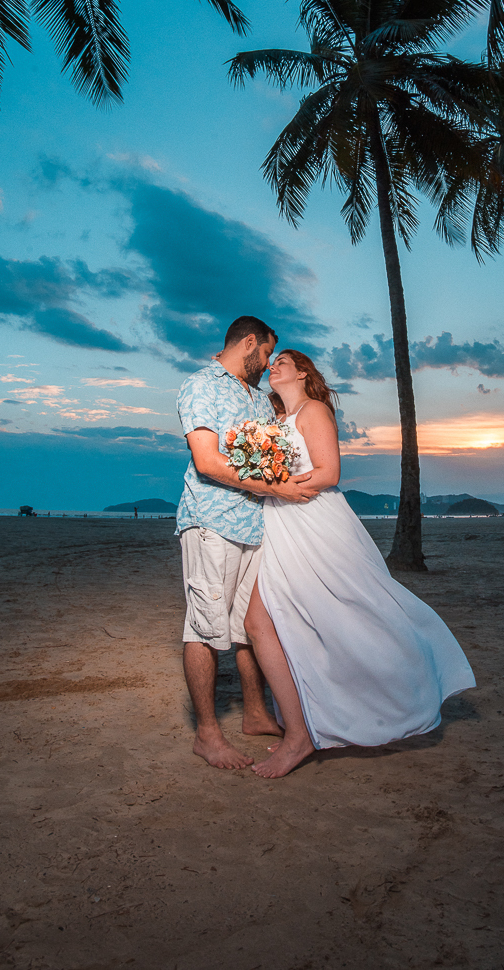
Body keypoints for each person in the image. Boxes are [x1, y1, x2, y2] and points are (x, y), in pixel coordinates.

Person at [244, 349, 476, 778]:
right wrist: (262, 483)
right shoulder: (274, 423)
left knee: (348, 610)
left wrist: (276, 486)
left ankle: (316, 727)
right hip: (281, 526)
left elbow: (329, 472)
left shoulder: (312, 410)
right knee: (267, 622)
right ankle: (304, 725)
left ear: (302, 373)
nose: (272, 367)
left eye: (282, 363)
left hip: (315, 522)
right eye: (271, 363)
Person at [176, 316, 320, 770]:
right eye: (267, 353)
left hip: (256, 527)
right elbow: (207, 461)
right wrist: (278, 489)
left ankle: (255, 713)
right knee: (204, 628)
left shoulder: (258, 398)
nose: (267, 363)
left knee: (246, 629)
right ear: (251, 343)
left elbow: (275, 454)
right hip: (211, 522)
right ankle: (207, 734)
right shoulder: (201, 386)